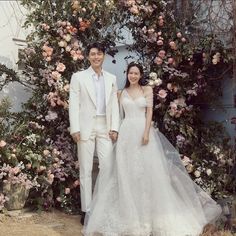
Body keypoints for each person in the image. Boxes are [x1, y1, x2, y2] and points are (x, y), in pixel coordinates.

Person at [83, 62, 222, 235]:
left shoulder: (147, 90)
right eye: (130, 73)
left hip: (142, 131)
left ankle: (148, 216)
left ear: (141, 75)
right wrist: (114, 130)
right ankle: (129, 215)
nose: (133, 76)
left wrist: (146, 132)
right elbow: (116, 115)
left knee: (146, 173)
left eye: (136, 73)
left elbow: (149, 112)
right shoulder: (120, 93)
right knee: (126, 172)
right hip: (126, 134)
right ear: (127, 75)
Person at [69, 42, 119, 225]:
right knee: (86, 169)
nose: (96, 57)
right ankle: (86, 210)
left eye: (99, 54)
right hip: (85, 127)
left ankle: (103, 207)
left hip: (105, 125)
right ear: (88, 56)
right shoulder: (78, 77)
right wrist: (75, 128)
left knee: (107, 167)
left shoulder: (111, 78)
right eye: (92, 54)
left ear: (104, 56)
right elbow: (74, 104)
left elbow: (114, 105)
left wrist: (115, 127)